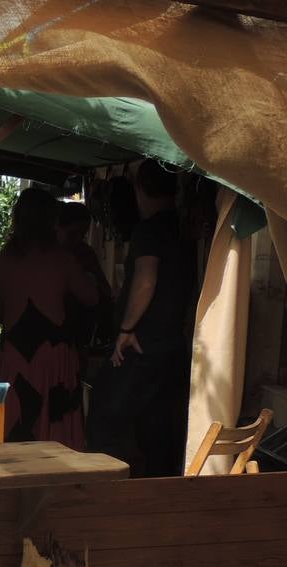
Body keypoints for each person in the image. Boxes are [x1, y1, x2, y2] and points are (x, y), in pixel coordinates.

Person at [87, 159, 193, 476]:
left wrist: (127, 328)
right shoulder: (183, 229)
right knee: (158, 427)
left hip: (141, 343)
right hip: (172, 342)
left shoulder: (149, 230)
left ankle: (104, 490)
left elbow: (146, 279)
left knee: (105, 419)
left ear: (140, 188)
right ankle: (154, 490)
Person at [0, 187, 96, 448]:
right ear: (51, 220)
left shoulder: (1, 261)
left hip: (16, 354)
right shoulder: (64, 260)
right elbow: (92, 298)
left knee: (17, 424)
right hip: (55, 354)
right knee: (56, 427)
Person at [57, 201, 113, 350]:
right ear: (58, 228)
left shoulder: (85, 253)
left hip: (79, 335)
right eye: (72, 234)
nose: (77, 240)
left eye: (82, 235)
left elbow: (105, 290)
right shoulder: (49, 254)